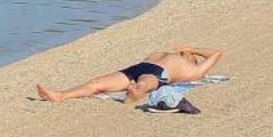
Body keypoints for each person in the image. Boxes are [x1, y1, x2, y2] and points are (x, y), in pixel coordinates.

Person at [36, 44, 224, 104]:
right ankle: (61, 95)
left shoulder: (193, 71)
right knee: (97, 82)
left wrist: (192, 49)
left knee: (144, 84)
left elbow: (217, 53)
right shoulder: (174, 58)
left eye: (189, 56)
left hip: (159, 74)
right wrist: (187, 52)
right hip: (137, 67)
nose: (185, 54)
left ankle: (133, 95)